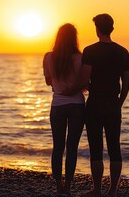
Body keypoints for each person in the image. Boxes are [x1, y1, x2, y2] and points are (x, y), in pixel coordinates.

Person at [65, 14, 129, 197]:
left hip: (94, 103)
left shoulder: (90, 51)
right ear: (112, 28)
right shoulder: (122, 52)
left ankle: (96, 189)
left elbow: (85, 79)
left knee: (96, 147)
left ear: (98, 29)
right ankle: (113, 191)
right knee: (114, 147)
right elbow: (126, 84)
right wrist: (120, 103)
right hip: (113, 103)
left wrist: (72, 88)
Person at [43, 23, 86, 194]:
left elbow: (48, 82)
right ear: (74, 38)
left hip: (58, 105)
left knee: (58, 145)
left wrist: (59, 85)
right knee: (72, 147)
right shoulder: (81, 57)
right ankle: (68, 186)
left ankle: (58, 186)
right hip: (77, 105)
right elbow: (84, 83)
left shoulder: (48, 57)